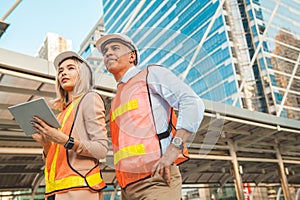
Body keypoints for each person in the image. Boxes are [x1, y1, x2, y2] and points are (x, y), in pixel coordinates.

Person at [96, 33, 205, 200]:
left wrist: (173, 150)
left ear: (132, 56)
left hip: (157, 180)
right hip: (127, 187)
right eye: (105, 51)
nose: (108, 53)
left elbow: (192, 103)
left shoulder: (151, 74)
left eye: (115, 48)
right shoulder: (118, 96)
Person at [31, 51, 108, 200]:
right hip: (55, 192)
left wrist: (65, 140)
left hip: (80, 189)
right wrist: (46, 144)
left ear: (83, 74)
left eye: (70, 68)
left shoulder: (90, 99)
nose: (63, 73)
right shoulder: (61, 114)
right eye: (60, 71)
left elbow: (101, 149)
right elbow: (56, 158)